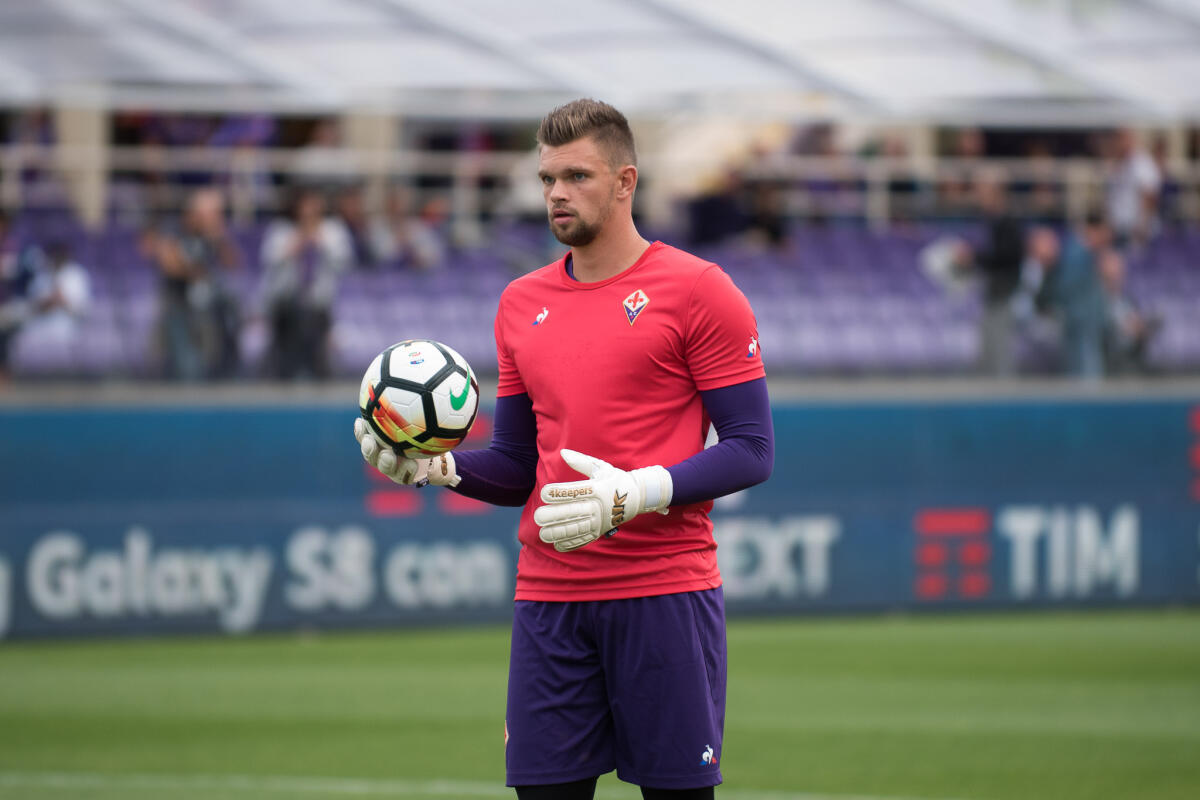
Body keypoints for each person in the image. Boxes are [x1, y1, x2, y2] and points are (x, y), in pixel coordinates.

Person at [354, 99, 774, 799]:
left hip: (663, 591)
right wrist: (442, 468)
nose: (556, 192)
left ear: (625, 181)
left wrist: (637, 492)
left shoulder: (701, 291)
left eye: (577, 175)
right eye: (547, 177)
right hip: (549, 599)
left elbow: (752, 450)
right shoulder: (520, 302)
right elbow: (518, 465)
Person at [261, 187, 351, 379]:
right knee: (285, 357)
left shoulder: (333, 231)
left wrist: (320, 242)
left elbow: (344, 261)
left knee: (319, 356)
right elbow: (270, 260)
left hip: (320, 304)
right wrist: (298, 241)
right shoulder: (281, 230)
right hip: (286, 304)